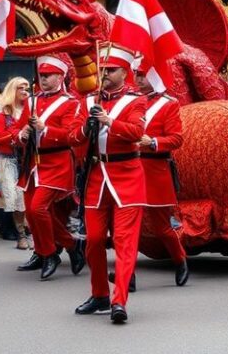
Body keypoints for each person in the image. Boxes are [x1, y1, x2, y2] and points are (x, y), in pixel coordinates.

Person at [72, 43, 147, 323]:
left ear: (124, 72)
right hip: (96, 177)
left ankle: (120, 301)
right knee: (92, 241)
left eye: (111, 70)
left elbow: (137, 131)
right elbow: (72, 138)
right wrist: (85, 128)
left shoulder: (137, 100)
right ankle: (100, 294)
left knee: (125, 243)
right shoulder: (89, 101)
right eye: (104, 69)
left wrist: (109, 121)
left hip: (127, 175)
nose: (105, 74)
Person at [15, 56, 85, 281]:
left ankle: (49, 254)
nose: (43, 79)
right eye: (41, 76)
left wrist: (45, 129)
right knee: (33, 213)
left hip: (57, 162)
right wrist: (22, 134)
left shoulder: (71, 103)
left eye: (48, 76)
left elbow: (71, 136)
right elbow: (18, 130)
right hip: (33, 163)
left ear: (60, 77)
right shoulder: (31, 101)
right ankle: (71, 245)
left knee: (38, 209)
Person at [133, 64, 188, 286]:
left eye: (142, 75)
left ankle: (180, 259)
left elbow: (176, 138)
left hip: (155, 170)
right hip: (128, 168)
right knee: (129, 226)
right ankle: (128, 274)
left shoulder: (169, 105)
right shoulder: (129, 100)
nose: (137, 79)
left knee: (162, 227)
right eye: (135, 74)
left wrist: (153, 142)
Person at [0, 77, 30, 249]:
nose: (25, 90)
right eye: (21, 87)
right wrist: (17, 135)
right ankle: (21, 234)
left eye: (27, 87)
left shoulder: (32, 109)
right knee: (14, 198)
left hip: (29, 158)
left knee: (29, 197)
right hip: (8, 158)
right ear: (13, 90)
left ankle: (28, 232)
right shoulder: (2, 112)